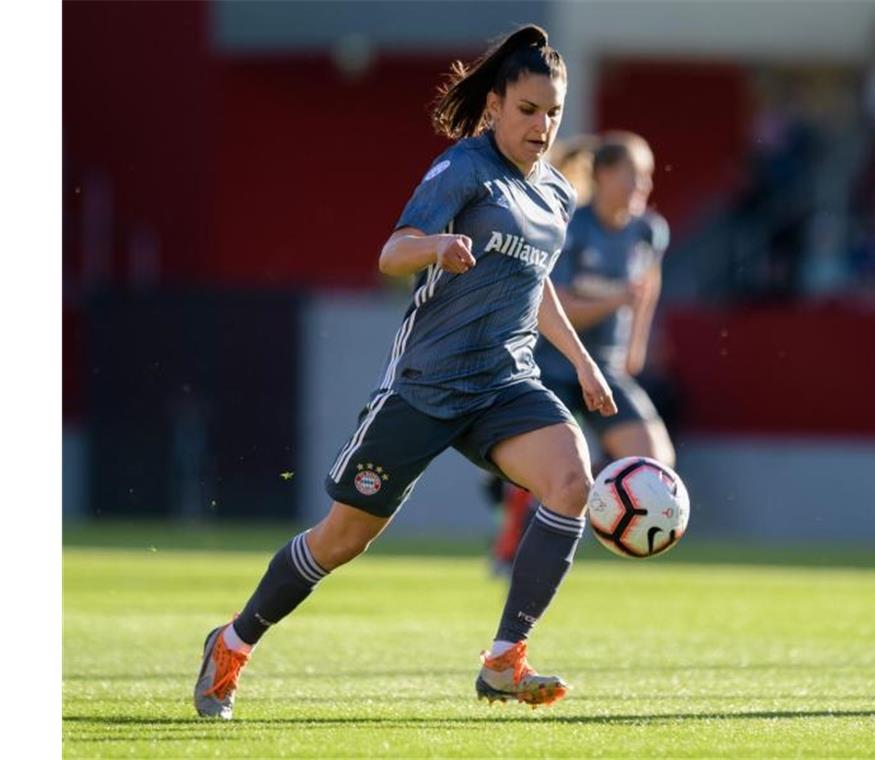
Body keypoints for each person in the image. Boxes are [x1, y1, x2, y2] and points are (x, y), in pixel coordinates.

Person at [193, 24, 616, 719]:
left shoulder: (556, 197)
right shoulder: (461, 170)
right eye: (528, 110)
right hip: (425, 386)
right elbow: (392, 254)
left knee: (572, 482)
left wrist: (581, 361)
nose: (542, 126)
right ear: (495, 108)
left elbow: (534, 283)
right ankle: (233, 642)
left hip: (504, 382)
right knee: (341, 541)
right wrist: (437, 244)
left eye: (554, 113)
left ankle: (506, 658)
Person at [490, 131, 676, 572]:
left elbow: (648, 288)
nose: (644, 188)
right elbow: (554, 306)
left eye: (648, 178)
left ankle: (565, 496)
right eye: (635, 176)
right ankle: (515, 528)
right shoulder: (571, 226)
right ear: (606, 175)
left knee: (656, 460)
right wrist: (615, 300)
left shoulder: (650, 231)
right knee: (552, 467)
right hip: (552, 367)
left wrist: (636, 346)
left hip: (606, 369)